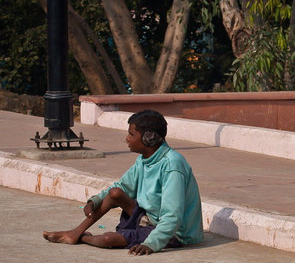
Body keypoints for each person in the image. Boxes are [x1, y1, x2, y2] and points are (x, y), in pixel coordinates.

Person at [43, 109, 204, 255]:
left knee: (107, 240)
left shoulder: (172, 165)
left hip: (175, 233)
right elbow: (121, 187)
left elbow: (172, 216)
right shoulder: (143, 160)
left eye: (131, 134)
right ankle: (75, 232)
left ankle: (83, 238)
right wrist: (96, 200)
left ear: (149, 138)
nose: (127, 139)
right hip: (149, 218)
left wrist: (151, 244)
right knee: (115, 194)